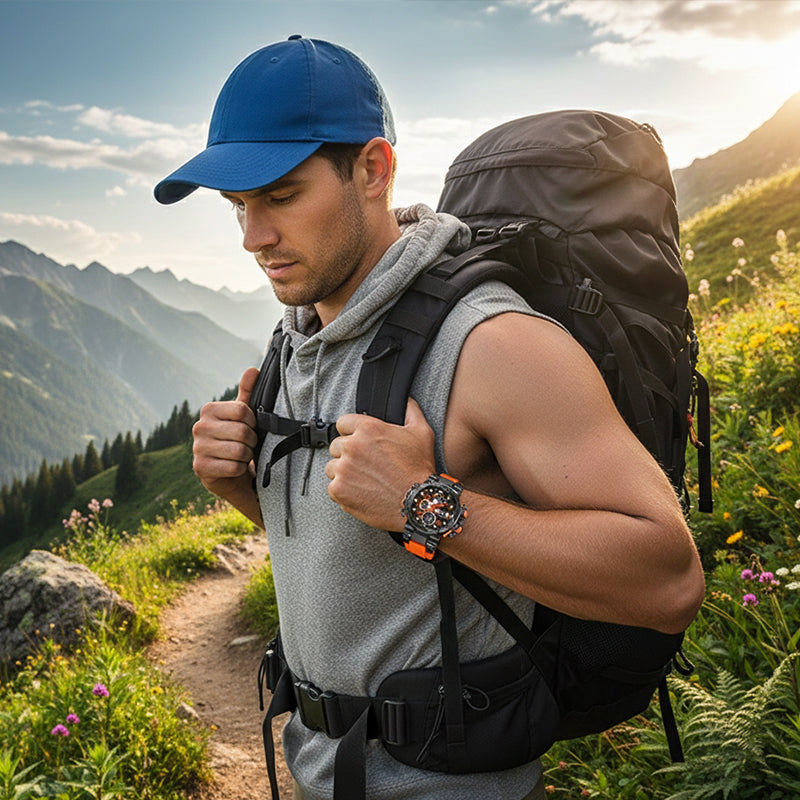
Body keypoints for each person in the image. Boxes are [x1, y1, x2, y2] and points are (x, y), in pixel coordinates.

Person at [155, 36, 705, 800]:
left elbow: (669, 577)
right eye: (238, 207)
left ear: (373, 170)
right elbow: (360, 545)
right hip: (322, 771)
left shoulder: (491, 343)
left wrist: (424, 505)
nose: (254, 238)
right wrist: (244, 488)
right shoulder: (300, 338)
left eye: (280, 196)